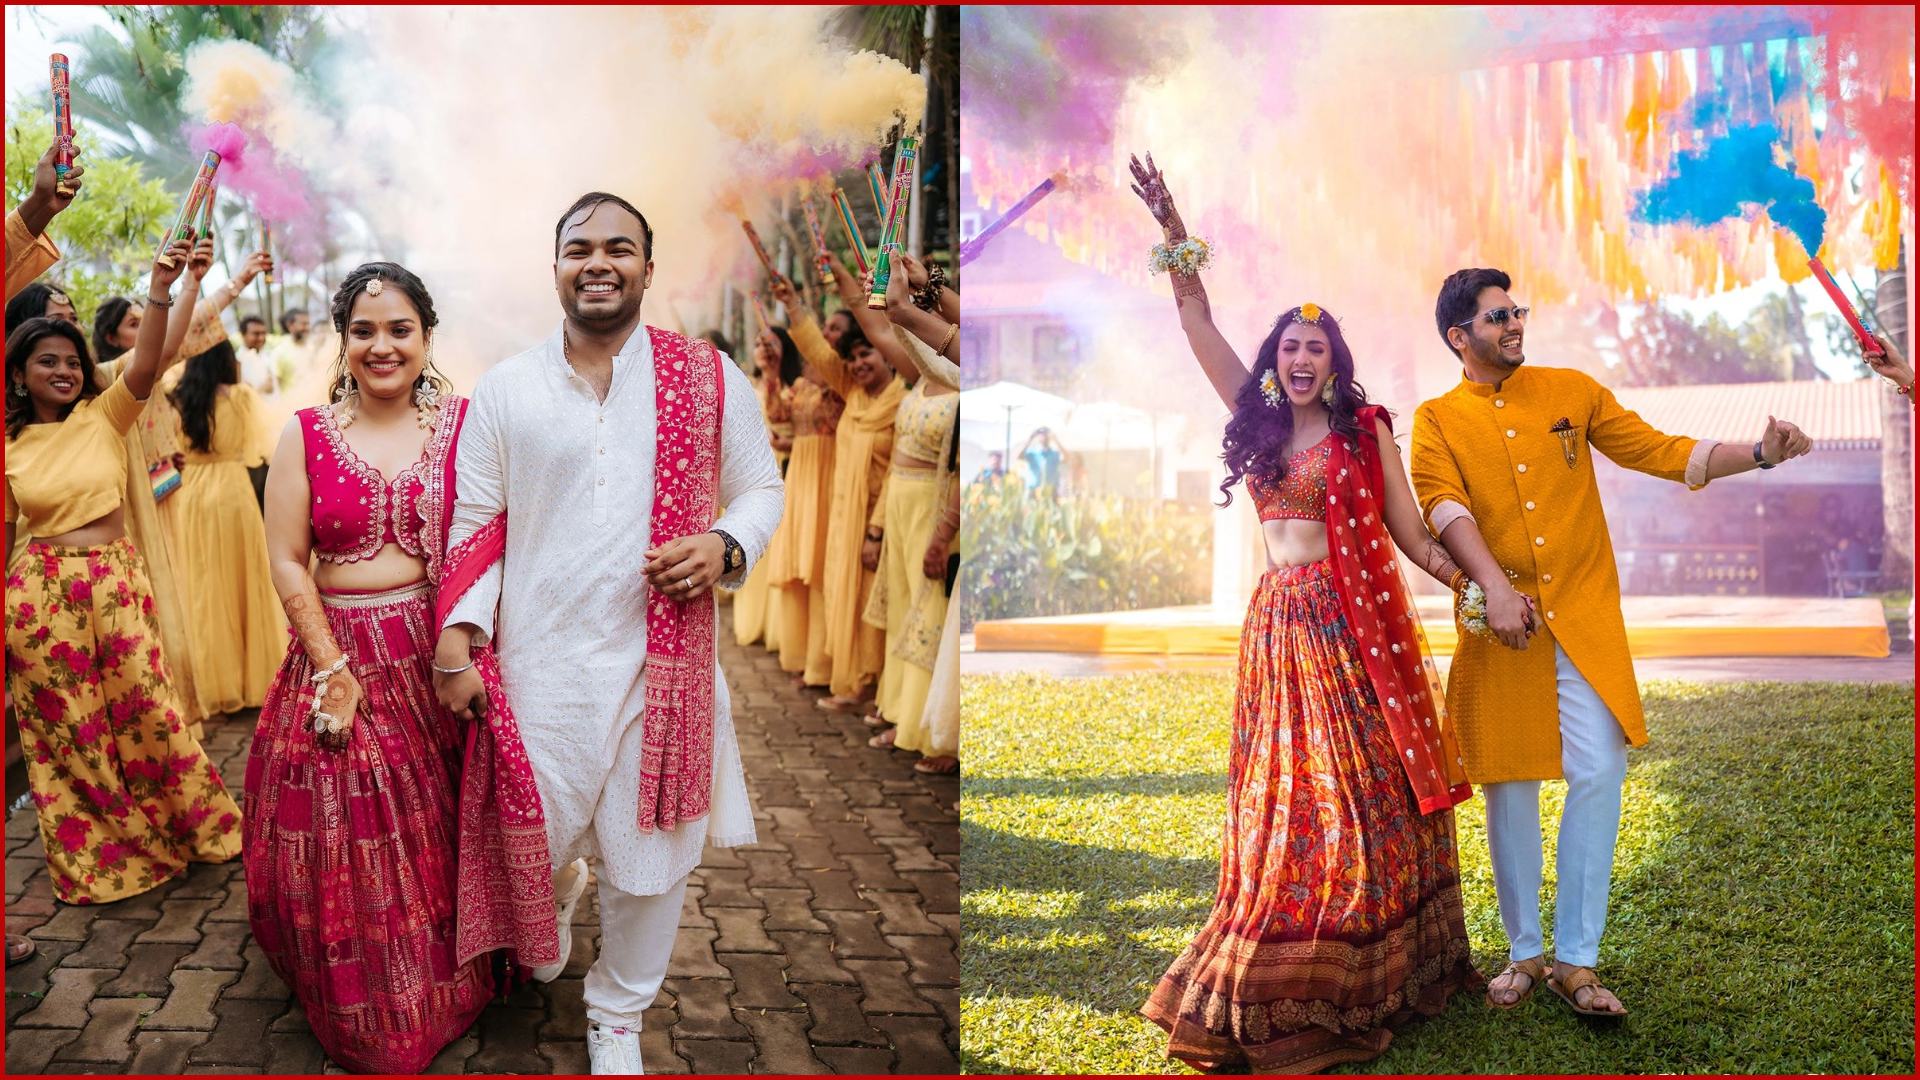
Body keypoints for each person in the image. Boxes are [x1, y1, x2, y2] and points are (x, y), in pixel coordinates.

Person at [1128, 153, 1480, 1073]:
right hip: (1280, 631)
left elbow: (1409, 532)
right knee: (1285, 800)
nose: (1298, 357)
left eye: (1314, 349)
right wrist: (1174, 228)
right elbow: (1195, 318)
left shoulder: (1368, 433)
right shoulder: (1257, 421)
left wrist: (1475, 586)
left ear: (1336, 364)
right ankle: (1290, 951)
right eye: (1288, 346)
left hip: (1351, 625)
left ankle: (1386, 956)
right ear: (1275, 360)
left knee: (1368, 790)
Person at [432, 192, 783, 1074]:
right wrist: (459, 641)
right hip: (539, 667)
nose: (599, 262)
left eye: (618, 248)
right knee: (539, 837)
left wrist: (723, 542)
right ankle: (548, 903)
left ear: (647, 271)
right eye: (579, 247)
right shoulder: (508, 387)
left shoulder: (706, 377)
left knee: (650, 857)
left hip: (660, 666)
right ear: (554, 268)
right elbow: (476, 523)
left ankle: (617, 1015)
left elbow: (761, 489)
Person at [1409, 266, 1814, 1019]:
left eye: (1517, 311)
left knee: (1599, 771)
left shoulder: (1572, 389)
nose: (1514, 324)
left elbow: (1660, 451)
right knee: (1510, 787)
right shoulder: (1437, 418)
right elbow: (1442, 504)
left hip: (1583, 618)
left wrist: (1757, 454)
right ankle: (1524, 954)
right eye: (1497, 318)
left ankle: (1577, 961)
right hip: (1503, 626)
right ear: (1459, 336)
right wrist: (1495, 589)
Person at [246, 262, 555, 1074]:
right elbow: (285, 560)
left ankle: (447, 984)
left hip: (439, 655)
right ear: (343, 340)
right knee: (353, 835)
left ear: (426, 337)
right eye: (363, 331)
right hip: (338, 654)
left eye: (399, 330)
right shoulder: (304, 432)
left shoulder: (465, 426)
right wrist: (329, 667)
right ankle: (372, 1010)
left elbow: (498, 535)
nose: (381, 347)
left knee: (446, 829)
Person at [4, 239, 244, 909]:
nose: (64, 371)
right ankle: (113, 858)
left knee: (150, 713)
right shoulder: (7, 446)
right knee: (72, 735)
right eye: (46, 361)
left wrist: (162, 284)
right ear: (18, 373)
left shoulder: (107, 415)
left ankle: (192, 831)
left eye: (73, 361)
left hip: (114, 582)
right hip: (37, 603)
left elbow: (151, 357)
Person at [767, 278, 905, 718]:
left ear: (890, 353)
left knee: (877, 604)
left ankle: (875, 685)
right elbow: (819, 353)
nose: (859, 364)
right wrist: (792, 304)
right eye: (853, 358)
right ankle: (853, 681)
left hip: (883, 522)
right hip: (845, 519)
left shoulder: (904, 399)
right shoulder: (854, 394)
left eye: (867, 354)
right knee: (843, 598)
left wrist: (876, 529)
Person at [168, 338, 286, 715]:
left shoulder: (175, 398)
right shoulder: (241, 398)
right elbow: (260, 449)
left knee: (204, 584)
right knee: (243, 581)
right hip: (233, 494)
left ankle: (210, 679)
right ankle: (250, 677)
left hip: (192, 494)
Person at [770, 332, 842, 690]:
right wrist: (770, 371)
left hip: (828, 473)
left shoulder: (840, 379)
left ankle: (823, 665)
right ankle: (799, 657)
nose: (827, 335)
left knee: (819, 567)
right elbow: (777, 414)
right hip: (801, 472)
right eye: (824, 329)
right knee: (800, 564)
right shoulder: (800, 382)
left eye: (834, 330)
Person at [235, 314, 276, 395]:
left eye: (263, 333)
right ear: (243, 335)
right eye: (256, 334)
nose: (261, 338)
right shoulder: (237, 361)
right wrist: (260, 389)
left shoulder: (267, 355)